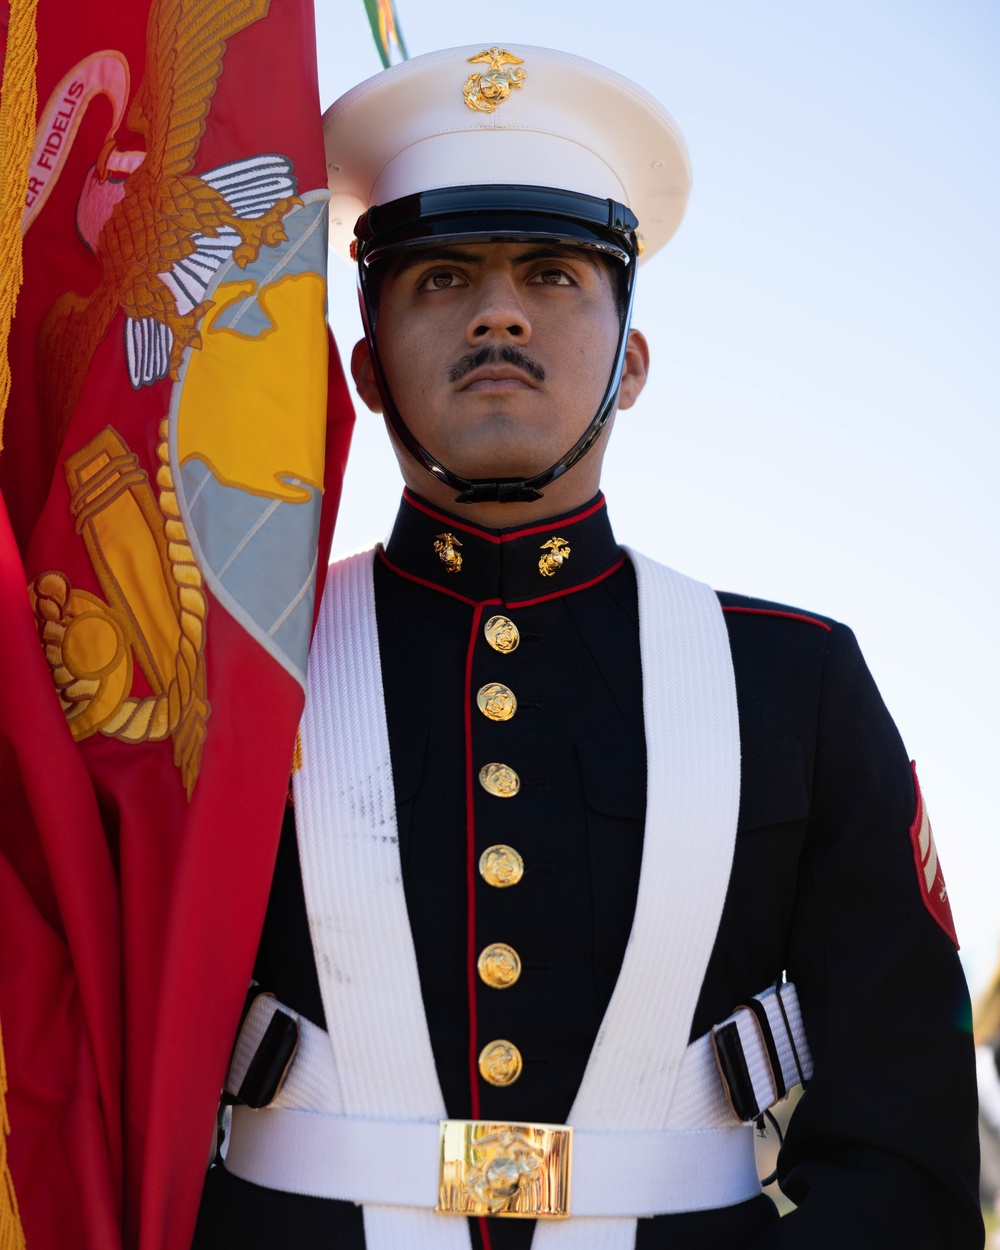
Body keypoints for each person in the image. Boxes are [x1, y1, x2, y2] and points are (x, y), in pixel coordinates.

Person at [193, 43, 981, 1249]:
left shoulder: (794, 683)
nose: (500, 310)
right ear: (363, 366)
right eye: (442, 275)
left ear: (632, 363)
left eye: (555, 274)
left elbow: (901, 1141)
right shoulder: (229, 666)